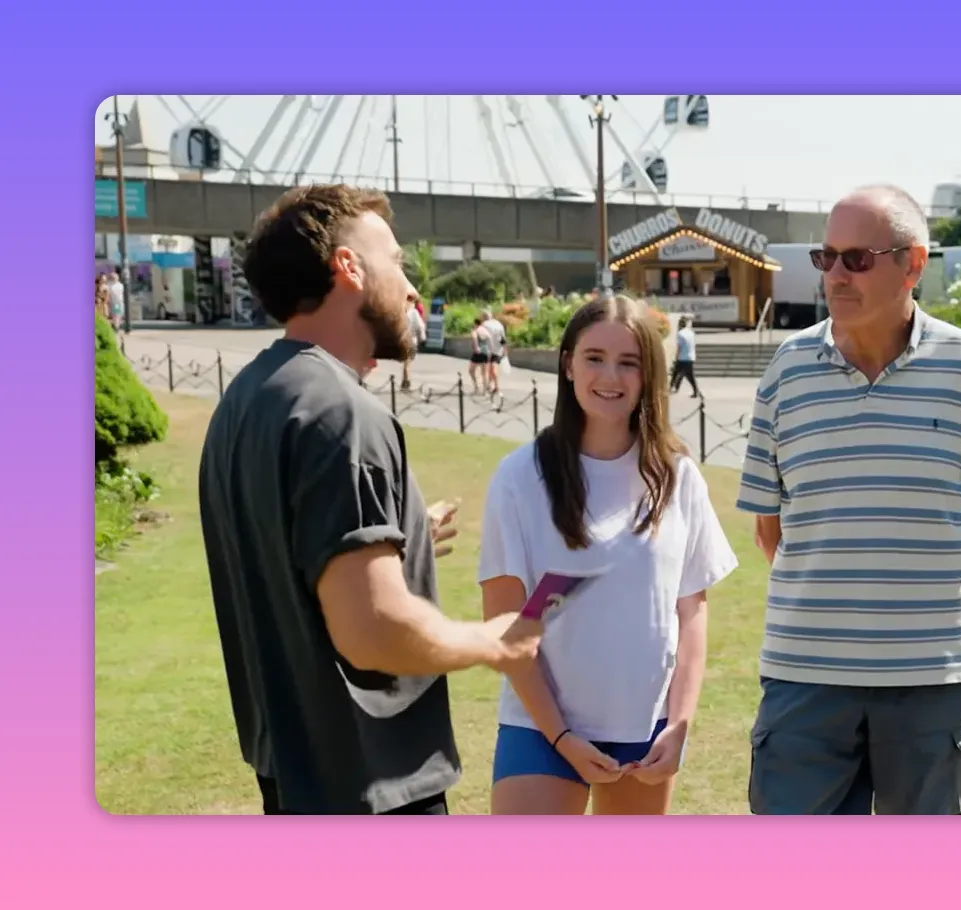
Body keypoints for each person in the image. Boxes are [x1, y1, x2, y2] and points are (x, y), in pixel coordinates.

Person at [197, 184, 543, 815]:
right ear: (348, 268)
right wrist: (493, 642)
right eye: (397, 261)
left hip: (293, 781)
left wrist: (398, 531)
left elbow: (295, 555)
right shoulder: (341, 413)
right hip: (371, 792)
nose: (411, 288)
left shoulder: (245, 400)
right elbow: (373, 631)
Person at [734, 184, 961, 816]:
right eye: (825, 257)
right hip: (805, 675)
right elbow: (770, 532)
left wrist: (912, 612)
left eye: (856, 258)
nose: (836, 274)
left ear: (913, 264)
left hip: (933, 678)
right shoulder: (785, 372)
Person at [477, 294, 738, 816]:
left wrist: (678, 725)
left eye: (629, 362)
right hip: (541, 729)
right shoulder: (519, 477)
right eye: (594, 357)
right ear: (568, 363)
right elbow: (509, 626)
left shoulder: (677, 477)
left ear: (648, 376)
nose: (610, 376)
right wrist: (562, 736)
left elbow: (691, 614)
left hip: (643, 735)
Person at [669, 315, 700, 398]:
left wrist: (676, 357)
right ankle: (694, 391)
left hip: (682, 358)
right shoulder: (691, 333)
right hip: (690, 357)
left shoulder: (680, 334)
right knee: (688, 375)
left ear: (679, 325)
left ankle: (670, 388)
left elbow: (679, 347)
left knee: (676, 373)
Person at [402, 289, 427, 391]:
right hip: (412, 341)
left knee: (406, 362)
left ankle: (404, 382)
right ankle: (407, 382)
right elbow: (421, 326)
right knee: (408, 363)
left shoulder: (402, 311)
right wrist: (423, 338)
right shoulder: (414, 312)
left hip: (403, 340)